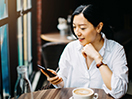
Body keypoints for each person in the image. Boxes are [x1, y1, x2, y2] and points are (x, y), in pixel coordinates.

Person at [41, 4, 128, 98]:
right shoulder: (71, 49)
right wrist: (57, 81)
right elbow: (64, 84)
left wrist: (97, 57)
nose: (77, 33)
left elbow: (119, 91)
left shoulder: (116, 50)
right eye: (74, 27)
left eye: (82, 28)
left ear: (99, 27)